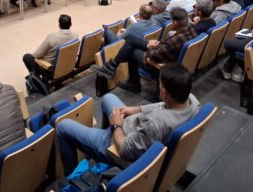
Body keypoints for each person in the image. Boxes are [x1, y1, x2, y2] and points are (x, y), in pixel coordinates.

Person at [57, 63, 200, 175]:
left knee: (62, 126)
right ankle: (97, 147)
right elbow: (162, 105)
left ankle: (74, 176)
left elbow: (124, 150)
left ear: (163, 92)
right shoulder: (192, 101)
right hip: (133, 129)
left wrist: (115, 126)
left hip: (118, 144)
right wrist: (136, 109)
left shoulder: (154, 123)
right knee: (108, 98)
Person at [92, 8, 197, 92]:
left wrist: (150, 46)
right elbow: (168, 47)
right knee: (131, 39)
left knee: (132, 49)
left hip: (159, 65)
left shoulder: (177, 39)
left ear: (175, 23)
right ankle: (112, 67)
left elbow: (156, 55)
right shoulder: (191, 30)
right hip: (169, 58)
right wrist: (157, 43)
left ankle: (127, 78)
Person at [22, 15, 78, 80]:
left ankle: (36, 78)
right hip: (68, 67)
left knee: (27, 57)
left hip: (51, 72)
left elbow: (36, 55)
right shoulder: (75, 37)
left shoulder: (52, 37)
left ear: (59, 25)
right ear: (71, 24)